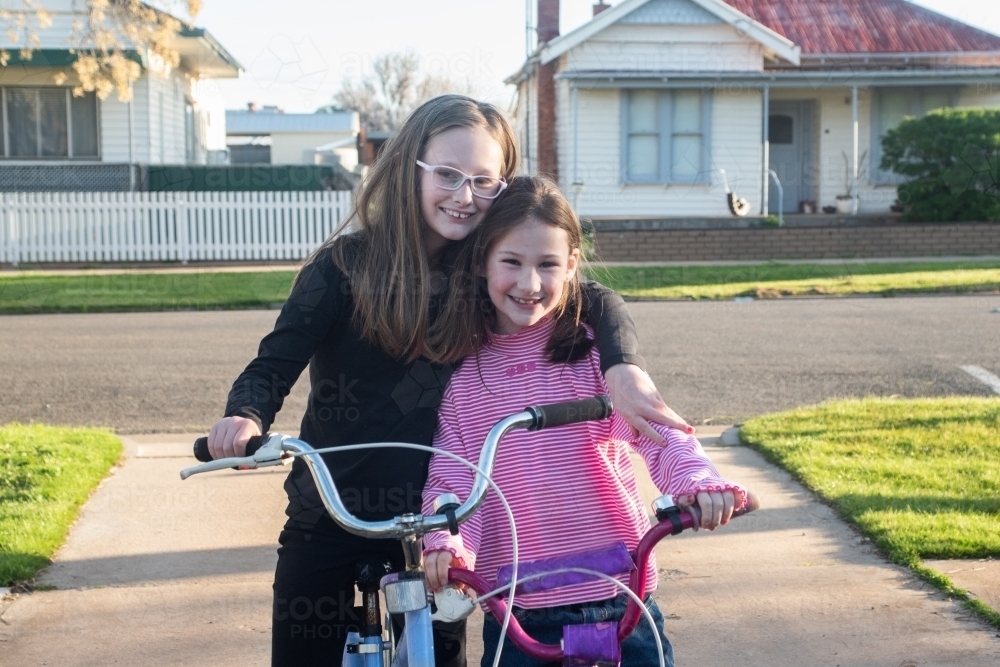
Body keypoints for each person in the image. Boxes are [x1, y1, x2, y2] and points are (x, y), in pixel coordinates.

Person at [207, 95, 691, 667]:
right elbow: (274, 361)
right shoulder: (344, 267)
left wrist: (622, 367)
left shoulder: (489, 269)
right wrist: (247, 413)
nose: (464, 197)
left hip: (444, 521)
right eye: (447, 175)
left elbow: (594, 297)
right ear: (410, 166)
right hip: (333, 512)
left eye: (484, 182)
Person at [421, 176, 746, 667]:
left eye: (548, 265)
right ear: (483, 260)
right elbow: (452, 478)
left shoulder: (597, 357)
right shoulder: (468, 378)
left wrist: (697, 482)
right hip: (518, 613)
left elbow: (659, 433)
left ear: (572, 265)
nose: (529, 284)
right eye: (511, 262)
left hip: (621, 599)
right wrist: (445, 540)